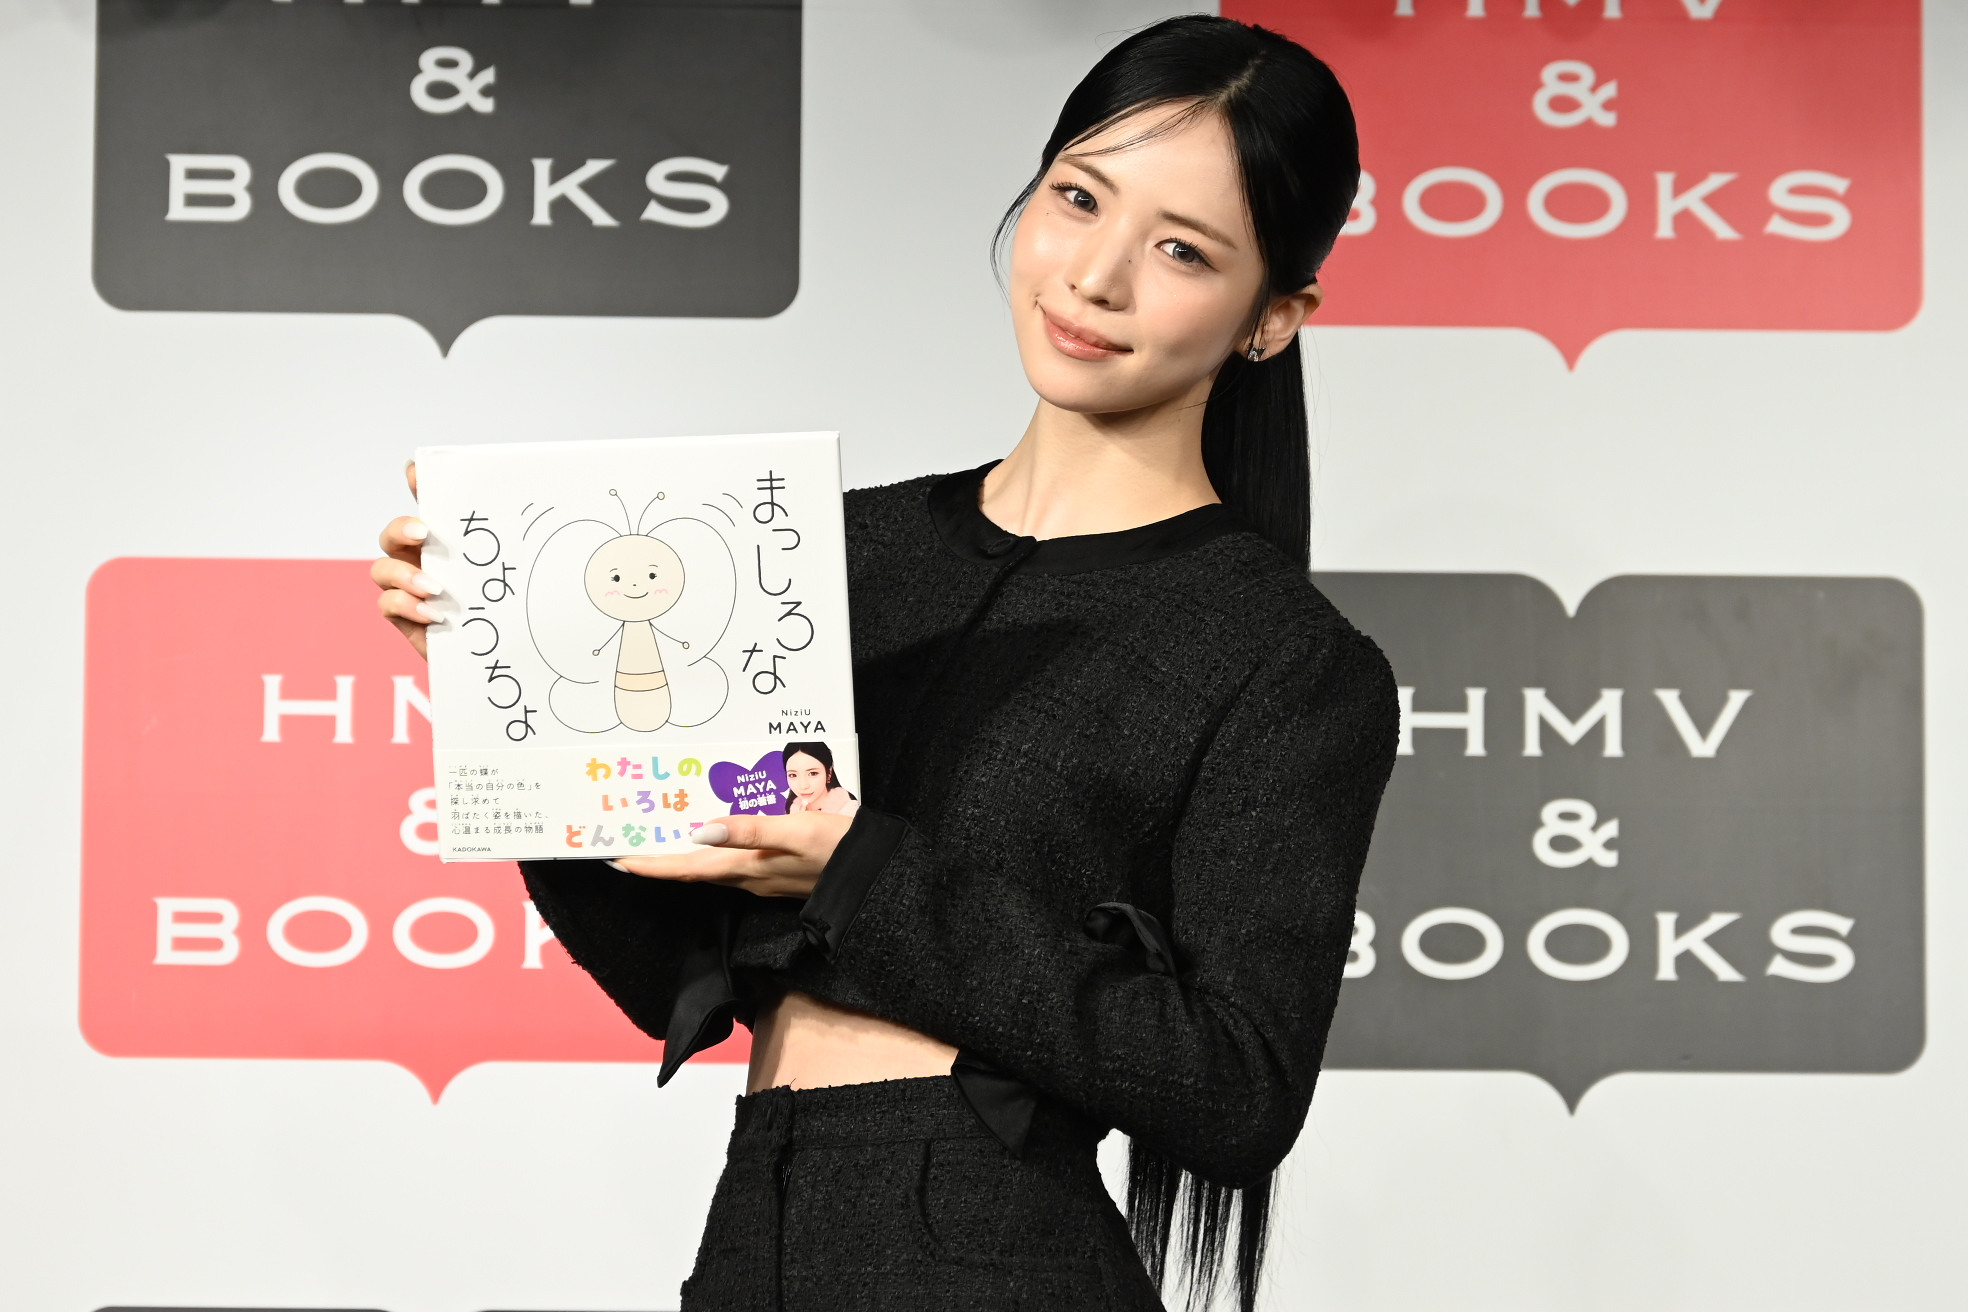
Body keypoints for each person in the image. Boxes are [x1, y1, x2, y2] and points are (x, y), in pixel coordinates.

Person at [373, 16, 1395, 1312]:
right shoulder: (837, 551)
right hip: (756, 1228)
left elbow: (1237, 1089)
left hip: (995, 1253)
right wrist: (507, 680)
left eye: (1182, 249)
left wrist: (857, 869)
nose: (1095, 276)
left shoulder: (1281, 659)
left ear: (1273, 318)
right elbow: (668, 969)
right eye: (1079, 198)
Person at [779, 742, 860, 818]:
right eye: (793, 775)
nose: (803, 786)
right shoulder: (793, 812)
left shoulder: (849, 811)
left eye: (813, 773)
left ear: (829, 773)